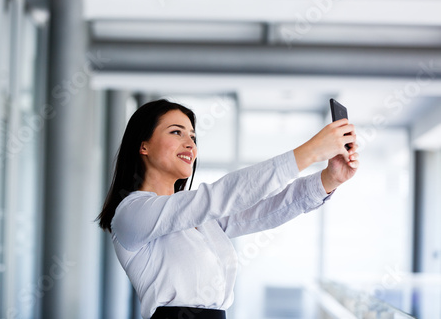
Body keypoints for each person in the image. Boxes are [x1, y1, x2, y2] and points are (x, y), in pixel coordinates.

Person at [96, 99, 359, 319]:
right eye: (177, 132)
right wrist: (311, 151)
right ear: (144, 145)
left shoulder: (201, 220)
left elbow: (266, 209)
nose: (190, 144)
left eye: (192, 136)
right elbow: (224, 195)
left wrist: (329, 179)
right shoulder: (131, 213)